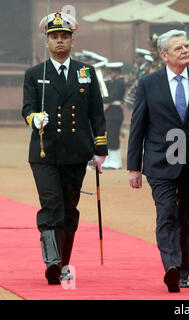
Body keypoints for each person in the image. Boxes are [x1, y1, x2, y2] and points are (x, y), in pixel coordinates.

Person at [127, 29, 189, 292]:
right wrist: (133, 167)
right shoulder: (149, 84)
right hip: (160, 163)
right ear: (164, 55)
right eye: (179, 48)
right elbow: (138, 126)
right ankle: (170, 267)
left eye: (186, 46)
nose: (186, 50)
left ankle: (183, 270)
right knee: (167, 213)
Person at [22, 12, 108, 284]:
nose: (59, 41)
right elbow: (26, 108)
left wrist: (100, 148)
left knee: (69, 209)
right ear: (46, 41)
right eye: (54, 37)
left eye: (64, 36)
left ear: (72, 41)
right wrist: (34, 119)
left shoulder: (86, 72)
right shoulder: (35, 74)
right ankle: (52, 261)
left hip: (75, 152)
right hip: (45, 152)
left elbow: (97, 112)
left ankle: (63, 262)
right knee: (51, 205)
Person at [102, 62, 126, 169]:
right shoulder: (111, 82)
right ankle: (108, 160)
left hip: (115, 111)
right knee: (108, 136)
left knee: (114, 136)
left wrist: (100, 98)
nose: (110, 74)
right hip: (110, 111)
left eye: (112, 72)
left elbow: (112, 97)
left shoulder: (120, 82)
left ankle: (116, 162)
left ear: (117, 72)